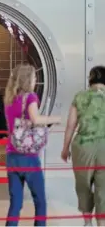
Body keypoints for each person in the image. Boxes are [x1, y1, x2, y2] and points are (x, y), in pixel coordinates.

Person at [4, 63, 61, 226]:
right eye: (34, 78)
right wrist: (55, 119)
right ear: (27, 79)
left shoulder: (9, 99)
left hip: (11, 154)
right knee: (40, 201)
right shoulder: (30, 97)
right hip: (28, 157)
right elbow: (35, 119)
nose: (36, 81)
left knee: (15, 203)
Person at [61, 65, 105, 227]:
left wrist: (65, 148)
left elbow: (71, 125)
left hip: (83, 147)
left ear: (90, 79)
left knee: (83, 185)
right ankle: (102, 224)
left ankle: (87, 222)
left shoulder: (79, 97)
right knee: (103, 188)